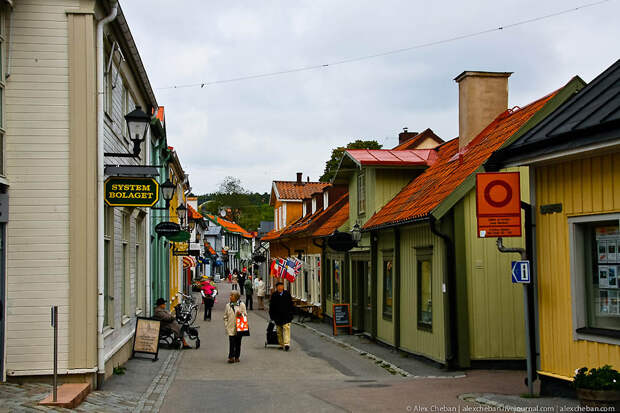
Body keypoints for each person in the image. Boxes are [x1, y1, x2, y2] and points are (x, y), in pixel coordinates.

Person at [269, 282, 294, 351]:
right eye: (279, 286)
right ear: (276, 287)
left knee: (286, 328)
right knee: (279, 331)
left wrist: (291, 314)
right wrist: (272, 316)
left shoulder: (287, 294)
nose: (280, 287)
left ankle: (286, 344)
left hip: (286, 315)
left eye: (281, 286)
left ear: (283, 287)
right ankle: (281, 344)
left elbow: (291, 304)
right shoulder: (274, 295)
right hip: (277, 316)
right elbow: (271, 306)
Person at [223, 291, 247, 363]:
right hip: (230, 327)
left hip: (239, 327)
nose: (230, 297)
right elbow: (225, 316)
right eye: (230, 295)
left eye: (232, 295)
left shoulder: (241, 304)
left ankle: (237, 356)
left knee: (238, 342)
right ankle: (231, 357)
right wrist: (226, 325)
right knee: (231, 342)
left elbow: (245, 315)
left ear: (236, 297)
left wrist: (241, 314)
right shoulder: (228, 305)